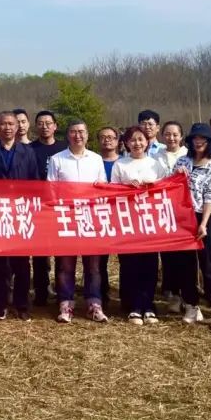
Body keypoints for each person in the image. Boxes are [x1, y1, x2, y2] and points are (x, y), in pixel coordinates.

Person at [0, 111, 37, 321]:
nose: (7, 128)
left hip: (21, 213)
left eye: (11, 124)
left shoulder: (28, 152)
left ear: (17, 127)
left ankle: (22, 304)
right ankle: (0, 304)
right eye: (3, 124)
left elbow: (35, 181)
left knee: (22, 263)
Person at [46, 119, 108, 323]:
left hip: (90, 218)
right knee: (65, 265)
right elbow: (51, 188)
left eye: (81, 131)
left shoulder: (96, 159)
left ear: (87, 135)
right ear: (67, 135)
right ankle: (66, 303)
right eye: (73, 132)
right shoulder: (57, 159)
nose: (77, 135)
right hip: (66, 218)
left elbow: (103, 186)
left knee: (94, 266)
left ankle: (94, 303)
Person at [172, 124, 211, 334]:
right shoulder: (182, 161)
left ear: (210, 142)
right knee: (185, 263)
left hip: (206, 217)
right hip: (183, 217)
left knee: (210, 264)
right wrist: (176, 175)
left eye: (202, 139)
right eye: (195, 139)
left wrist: (203, 223)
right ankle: (191, 304)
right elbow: (171, 186)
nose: (198, 143)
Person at [111, 125, 169, 325]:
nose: (137, 143)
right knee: (130, 264)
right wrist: (126, 187)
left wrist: (152, 186)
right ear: (126, 143)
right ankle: (133, 305)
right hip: (128, 222)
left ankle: (148, 304)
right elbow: (112, 191)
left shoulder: (156, 164)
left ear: (147, 142)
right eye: (132, 140)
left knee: (150, 264)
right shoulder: (120, 164)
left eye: (141, 139)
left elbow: (166, 189)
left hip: (151, 222)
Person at [29, 110, 64, 308]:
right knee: (40, 253)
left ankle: (61, 291)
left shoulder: (64, 148)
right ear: (36, 126)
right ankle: (41, 291)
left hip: (60, 207)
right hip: (38, 206)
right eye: (41, 123)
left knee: (61, 252)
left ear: (55, 126)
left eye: (48, 123)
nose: (45, 126)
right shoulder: (29, 149)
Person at [155, 120, 188, 312]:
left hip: (185, 211)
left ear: (181, 136)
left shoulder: (189, 155)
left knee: (186, 256)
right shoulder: (155, 156)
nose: (171, 138)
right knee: (168, 255)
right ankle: (173, 294)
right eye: (167, 134)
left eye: (175, 134)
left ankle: (188, 295)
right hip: (163, 210)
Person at [95, 125, 122, 307]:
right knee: (99, 260)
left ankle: (126, 295)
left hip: (122, 215)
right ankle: (101, 294)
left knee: (126, 259)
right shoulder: (93, 161)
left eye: (111, 137)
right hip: (99, 214)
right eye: (103, 137)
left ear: (118, 141)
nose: (107, 140)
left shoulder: (125, 162)